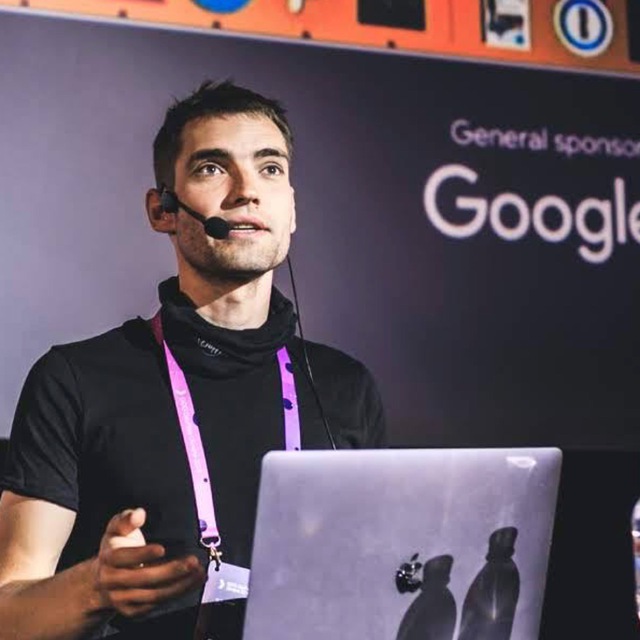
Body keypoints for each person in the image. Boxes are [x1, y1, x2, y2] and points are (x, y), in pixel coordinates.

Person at [0, 80, 387, 639]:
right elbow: (8, 612)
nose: (247, 191)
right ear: (162, 210)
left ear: (292, 209)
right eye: (212, 168)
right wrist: (93, 590)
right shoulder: (75, 379)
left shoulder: (345, 386)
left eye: (270, 168)